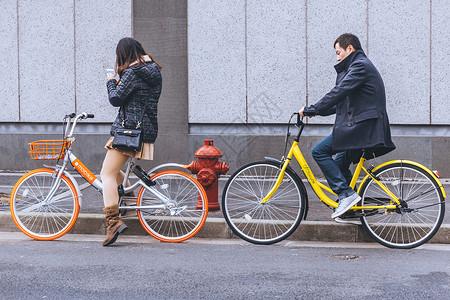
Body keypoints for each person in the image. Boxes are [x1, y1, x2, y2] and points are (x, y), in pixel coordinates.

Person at [299, 33, 395, 222]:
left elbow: (339, 92)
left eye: (338, 52)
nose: (337, 57)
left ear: (349, 49)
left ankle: (346, 194)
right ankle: (350, 207)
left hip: (364, 128)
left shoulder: (360, 65)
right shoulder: (359, 66)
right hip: (364, 127)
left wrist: (313, 108)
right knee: (341, 163)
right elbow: (341, 103)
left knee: (319, 151)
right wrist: (315, 112)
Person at [101, 37, 162, 246]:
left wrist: (110, 79)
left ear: (123, 55)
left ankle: (113, 222)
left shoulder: (133, 72)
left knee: (106, 174)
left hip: (129, 131)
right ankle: (127, 202)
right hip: (145, 129)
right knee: (116, 170)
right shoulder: (153, 69)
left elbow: (115, 99)